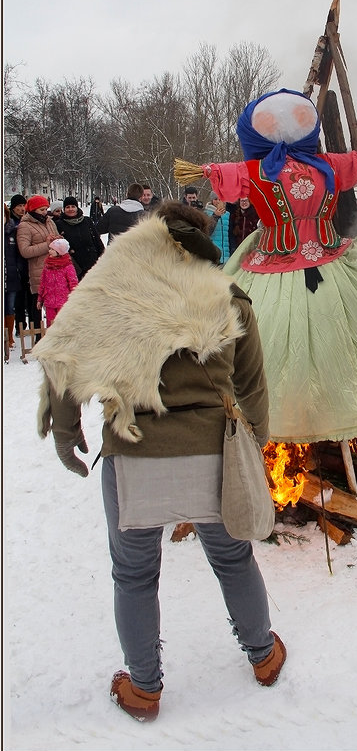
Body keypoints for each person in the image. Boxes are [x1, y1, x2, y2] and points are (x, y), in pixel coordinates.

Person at [30, 200, 286, 723]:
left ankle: (144, 689)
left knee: (134, 575)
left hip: (136, 451)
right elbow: (254, 388)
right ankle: (263, 657)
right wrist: (253, 442)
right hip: (213, 451)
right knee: (234, 560)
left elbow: (63, 351)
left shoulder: (113, 297)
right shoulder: (230, 299)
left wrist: (64, 429)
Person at [175, 88, 357, 444]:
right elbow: (356, 162)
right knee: (338, 336)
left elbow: (221, 174)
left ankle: (271, 415)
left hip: (271, 260)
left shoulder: (255, 170)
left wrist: (203, 171)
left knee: (262, 337)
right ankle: (326, 406)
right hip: (327, 258)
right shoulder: (326, 165)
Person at [16, 194, 60, 332]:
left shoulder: (49, 222)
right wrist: (47, 245)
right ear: (33, 210)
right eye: (41, 209)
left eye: (46, 209)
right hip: (37, 272)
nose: (44, 212)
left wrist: (58, 241)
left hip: (55, 269)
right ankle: (37, 336)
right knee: (37, 305)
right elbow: (25, 251)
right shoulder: (25, 226)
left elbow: (55, 240)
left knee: (56, 304)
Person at [55, 196, 105, 278]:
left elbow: (96, 239)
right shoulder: (59, 224)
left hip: (92, 261)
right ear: (64, 209)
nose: (71, 209)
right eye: (67, 207)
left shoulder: (87, 221)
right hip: (74, 265)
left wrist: (102, 254)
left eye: (73, 206)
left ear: (77, 208)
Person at [36, 238, 79, 326]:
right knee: (51, 325)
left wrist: (74, 299)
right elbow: (43, 283)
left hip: (63, 302)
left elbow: (73, 283)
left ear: (59, 252)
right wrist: (40, 299)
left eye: (52, 249)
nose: (50, 251)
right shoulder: (48, 265)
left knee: (63, 325)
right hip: (49, 302)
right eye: (50, 249)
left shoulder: (68, 266)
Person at [4, 196, 28, 347]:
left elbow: (19, 254)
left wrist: (18, 268)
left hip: (12, 275)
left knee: (10, 306)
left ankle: (9, 338)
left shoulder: (12, 232)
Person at [205, 191, 231, 264]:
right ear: (212, 200)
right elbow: (207, 232)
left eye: (220, 199)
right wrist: (215, 216)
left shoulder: (228, 214)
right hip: (213, 254)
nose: (218, 201)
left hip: (226, 256)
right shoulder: (206, 213)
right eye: (215, 199)